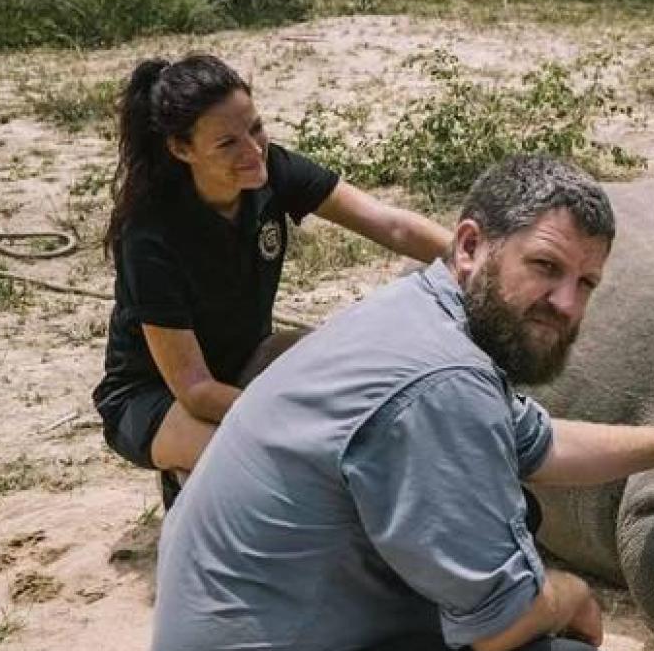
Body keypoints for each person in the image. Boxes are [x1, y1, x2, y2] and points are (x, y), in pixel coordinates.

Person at [128, 155, 654, 651]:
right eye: (545, 267)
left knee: (519, 517)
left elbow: (541, 444)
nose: (566, 304)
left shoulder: (423, 314)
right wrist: (570, 596)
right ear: (469, 247)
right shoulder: (443, 382)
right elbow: (501, 629)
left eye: (586, 284)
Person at [95, 54, 450, 502]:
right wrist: (299, 417)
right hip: (158, 397)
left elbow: (392, 226)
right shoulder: (150, 234)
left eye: (256, 128)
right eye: (227, 143)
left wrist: (477, 262)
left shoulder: (271, 170)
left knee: (355, 369)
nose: (252, 151)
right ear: (182, 149)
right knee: (273, 465)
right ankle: (185, 480)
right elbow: (196, 390)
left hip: (247, 359)